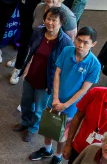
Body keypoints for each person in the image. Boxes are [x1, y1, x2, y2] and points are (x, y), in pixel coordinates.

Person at [29, 26, 100, 164]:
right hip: (54, 100)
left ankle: (58, 155)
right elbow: (57, 74)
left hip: (71, 108)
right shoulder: (67, 50)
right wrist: (55, 98)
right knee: (49, 127)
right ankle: (47, 149)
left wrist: (65, 105)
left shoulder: (94, 65)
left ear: (93, 44)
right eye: (79, 40)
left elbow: (84, 89)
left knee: (61, 136)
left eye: (86, 42)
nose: (80, 45)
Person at [13, 8, 73, 145]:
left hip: (47, 81)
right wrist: (26, 69)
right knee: (26, 103)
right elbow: (32, 52)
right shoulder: (39, 31)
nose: (50, 22)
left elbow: (64, 67)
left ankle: (32, 129)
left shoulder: (65, 42)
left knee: (39, 108)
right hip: (32, 75)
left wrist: (54, 85)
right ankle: (25, 122)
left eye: (54, 20)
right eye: (48, 18)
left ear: (61, 23)